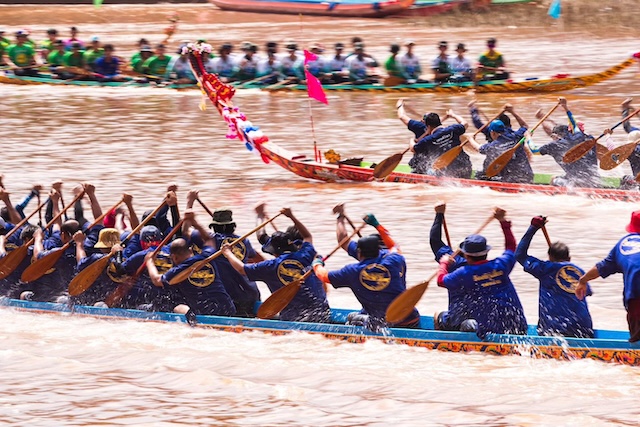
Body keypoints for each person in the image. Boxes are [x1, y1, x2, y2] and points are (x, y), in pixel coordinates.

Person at [221, 208, 330, 323]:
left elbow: (241, 269)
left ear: (273, 252)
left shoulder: (270, 267)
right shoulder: (306, 254)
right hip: (322, 314)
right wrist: (291, 216)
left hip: (295, 319)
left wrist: (228, 253)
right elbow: (308, 236)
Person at [313, 213, 420, 330]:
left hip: (382, 324)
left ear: (359, 253)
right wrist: (377, 225)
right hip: (411, 318)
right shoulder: (394, 259)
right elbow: (394, 246)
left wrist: (317, 263)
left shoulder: (352, 271)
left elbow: (323, 276)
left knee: (351, 318)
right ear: (379, 250)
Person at [437, 207, 528, 339]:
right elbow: (511, 247)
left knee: (463, 324)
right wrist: (503, 222)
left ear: (467, 256)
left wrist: (444, 263)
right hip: (518, 326)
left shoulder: (464, 272)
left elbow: (441, 281)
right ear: (486, 252)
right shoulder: (501, 265)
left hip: (490, 330)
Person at [183, 190, 262, 317]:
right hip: (251, 295)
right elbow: (259, 261)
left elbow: (185, 230)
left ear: (213, 226)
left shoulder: (208, 240)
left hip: (228, 298)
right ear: (232, 225)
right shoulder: (243, 241)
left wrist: (190, 202)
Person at [146, 210, 236, 319]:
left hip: (206, 313)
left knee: (176, 305)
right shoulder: (206, 255)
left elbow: (157, 280)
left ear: (174, 257)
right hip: (228, 309)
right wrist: (194, 221)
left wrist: (149, 262)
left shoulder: (178, 270)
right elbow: (208, 239)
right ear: (190, 250)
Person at [515, 216, 594, 338]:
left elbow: (520, 255)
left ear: (550, 258)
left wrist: (533, 228)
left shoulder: (544, 268)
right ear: (569, 258)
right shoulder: (580, 272)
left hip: (553, 329)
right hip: (583, 328)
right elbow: (588, 293)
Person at [577, 210, 640, 342]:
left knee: (637, 339)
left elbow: (601, 268)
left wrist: (583, 280)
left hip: (636, 298)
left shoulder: (623, 244)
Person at [531, 98, 600, 188]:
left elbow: (534, 151)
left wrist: (528, 136)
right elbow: (571, 124)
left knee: (553, 179)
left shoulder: (554, 145)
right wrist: (565, 107)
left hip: (576, 182)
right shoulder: (586, 137)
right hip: (593, 179)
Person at [430, 202, 477, 332]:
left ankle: (442, 321)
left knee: (445, 317)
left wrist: (439, 214)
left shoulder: (453, 263)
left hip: (457, 319)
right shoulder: (491, 267)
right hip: (484, 319)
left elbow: (434, 240)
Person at [470, 106, 533, 183]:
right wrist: (512, 112)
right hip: (527, 176)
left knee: (480, 175)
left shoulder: (493, 146)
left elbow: (478, 148)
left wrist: (470, 139)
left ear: (492, 132)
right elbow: (525, 126)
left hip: (510, 180)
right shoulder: (517, 136)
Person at [409, 110, 472, 178]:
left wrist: (412, 140)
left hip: (448, 174)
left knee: (424, 169)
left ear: (428, 127)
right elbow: (465, 123)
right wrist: (453, 115)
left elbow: (413, 149)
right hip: (466, 168)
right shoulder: (453, 129)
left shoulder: (428, 140)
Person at [72, 227, 123, 307]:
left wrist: (79, 244)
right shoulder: (123, 258)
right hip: (114, 300)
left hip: (95, 299)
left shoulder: (97, 258)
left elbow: (81, 264)